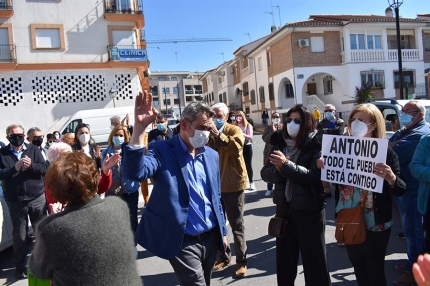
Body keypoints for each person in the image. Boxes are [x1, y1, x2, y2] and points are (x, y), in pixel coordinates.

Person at [122, 91, 228, 286]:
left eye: (209, 127)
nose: (206, 132)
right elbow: (134, 172)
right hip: (183, 241)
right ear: (185, 125)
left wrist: (222, 233)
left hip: (210, 238)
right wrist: (139, 129)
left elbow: (216, 198)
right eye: (202, 127)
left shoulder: (211, 155)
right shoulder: (162, 150)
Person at [319, 103, 406, 286]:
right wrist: (325, 166)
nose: (355, 123)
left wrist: (390, 177)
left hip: (376, 223)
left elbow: (400, 188)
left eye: (361, 120)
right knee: (358, 266)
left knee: (374, 270)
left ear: (373, 125)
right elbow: (336, 181)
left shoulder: (385, 153)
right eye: (353, 119)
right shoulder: (340, 149)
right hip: (349, 217)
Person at [28, 152, 141, 286]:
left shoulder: (49, 228)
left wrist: (55, 219)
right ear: (95, 178)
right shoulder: (118, 206)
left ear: (54, 189)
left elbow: (38, 271)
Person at [261, 104, 330, 285]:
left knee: (314, 262)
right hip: (284, 209)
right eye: (289, 120)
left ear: (307, 123)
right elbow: (265, 173)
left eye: (297, 120)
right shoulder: (278, 142)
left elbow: (314, 176)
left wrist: (286, 166)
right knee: (285, 262)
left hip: (310, 210)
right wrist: (278, 169)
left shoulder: (318, 143)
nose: (291, 123)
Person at [389, 100, 430, 285]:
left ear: (420, 115)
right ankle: (411, 262)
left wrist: (392, 145)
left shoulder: (420, 133)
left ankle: (414, 270)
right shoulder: (407, 130)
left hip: (412, 191)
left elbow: (393, 153)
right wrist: (392, 144)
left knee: (414, 231)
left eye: (408, 111)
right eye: (403, 110)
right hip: (403, 188)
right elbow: (390, 144)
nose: (403, 114)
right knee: (409, 230)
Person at [0, 124, 48, 279]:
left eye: (20, 134)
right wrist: (15, 168)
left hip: (36, 198)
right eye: (14, 135)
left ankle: (44, 264)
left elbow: (43, 168)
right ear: (8, 137)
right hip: (16, 201)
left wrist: (30, 166)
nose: (18, 137)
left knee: (40, 232)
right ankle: (20, 267)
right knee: (20, 236)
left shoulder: (33, 150)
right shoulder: (2, 153)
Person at [208, 102, 248, 277]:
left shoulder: (234, 130)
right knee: (217, 225)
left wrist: (219, 135)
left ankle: (242, 261)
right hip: (215, 186)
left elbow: (236, 147)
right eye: (213, 115)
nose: (216, 118)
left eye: (219, 115)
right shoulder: (208, 134)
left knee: (236, 224)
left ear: (226, 116)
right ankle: (224, 256)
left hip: (233, 185)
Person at [45, 142, 116, 213]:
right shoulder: (52, 179)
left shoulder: (79, 171)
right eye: (66, 155)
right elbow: (54, 202)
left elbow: (99, 188)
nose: (70, 157)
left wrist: (106, 172)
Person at [102, 125, 141, 234]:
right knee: (116, 219)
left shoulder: (129, 150)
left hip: (130, 189)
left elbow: (137, 167)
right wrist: (108, 166)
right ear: (112, 136)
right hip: (114, 190)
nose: (118, 137)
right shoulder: (106, 152)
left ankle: (133, 244)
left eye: (121, 135)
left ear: (125, 137)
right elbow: (103, 171)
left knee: (132, 217)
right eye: (116, 135)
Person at [317, 104, 345, 198]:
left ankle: (338, 188)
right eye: (326, 111)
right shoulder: (321, 123)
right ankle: (327, 190)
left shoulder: (340, 121)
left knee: (336, 170)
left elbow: (339, 133)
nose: (328, 112)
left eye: (330, 110)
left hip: (337, 150)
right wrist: (332, 131)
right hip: (325, 149)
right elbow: (320, 134)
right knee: (324, 169)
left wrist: (326, 131)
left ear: (335, 111)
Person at [262, 111, 283, 197]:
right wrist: (272, 132)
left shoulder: (283, 127)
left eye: (277, 117)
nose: (276, 118)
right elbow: (265, 138)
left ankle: (279, 188)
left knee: (280, 171)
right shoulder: (269, 128)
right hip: (269, 152)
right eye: (274, 117)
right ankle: (269, 188)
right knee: (270, 170)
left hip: (280, 152)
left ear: (280, 118)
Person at [234, 110, 254, 190]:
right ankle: (242, 182)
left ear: (243, 116)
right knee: (238, 165)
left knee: (248, 165)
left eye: (240, 115)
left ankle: (251, 182)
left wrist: (241, 134)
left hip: (246, 146)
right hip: (237, 147)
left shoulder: (248, 125)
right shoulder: (234, 126)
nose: (238, 117)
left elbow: (250, 137)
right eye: (237, 116)